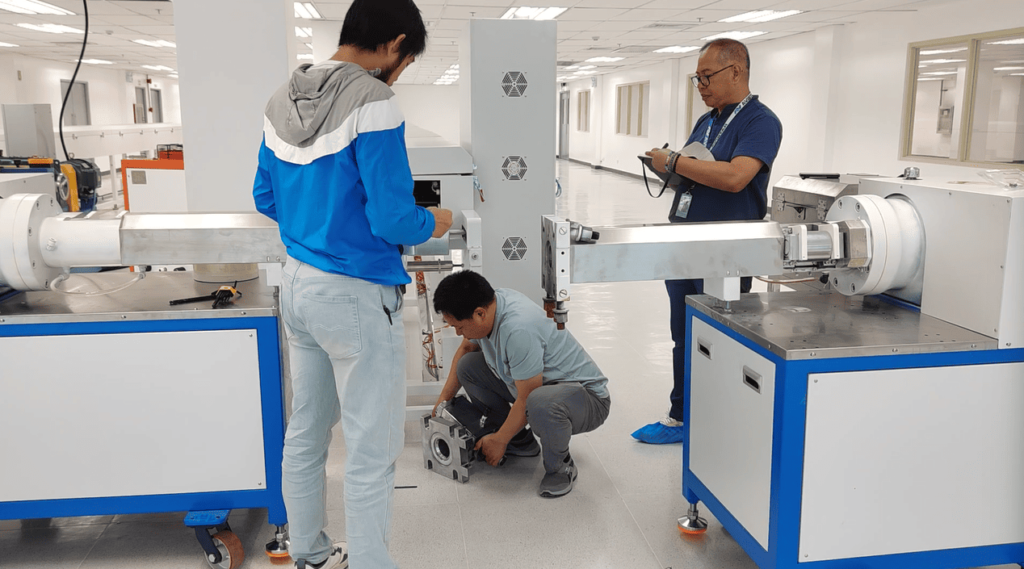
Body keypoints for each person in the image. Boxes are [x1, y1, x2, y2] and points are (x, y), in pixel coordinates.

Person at [252, 1, 453, 567]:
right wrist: (433, 222)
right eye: (406, 60)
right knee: (370, 452)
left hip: (296, 286)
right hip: (358, 295)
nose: (400, 72)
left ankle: (311, 553)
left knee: (306, 432)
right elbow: (394, 220)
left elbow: (265, 197)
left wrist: (313, 224)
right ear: (394, 44)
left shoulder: (279, 101)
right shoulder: (375, 101)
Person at [634, 38, 783, 444]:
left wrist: (679, 162)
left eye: (706, 77)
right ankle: (682, 416)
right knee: (683, 334)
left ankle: (720, 423)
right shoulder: (708, 120)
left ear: (736, 71)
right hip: (686, 241)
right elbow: (698, 170)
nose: (700, 86)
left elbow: (736, 177)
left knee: (719, 337)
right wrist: (668, 166)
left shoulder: (760, 122)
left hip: (725, 250)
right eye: (696, 78)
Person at [431, 271, 611, 498]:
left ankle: (560, 467)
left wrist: (499, 440)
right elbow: (467, 348)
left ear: (480, 314)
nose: (459, 333)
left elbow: (528, 396)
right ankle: (520, 440)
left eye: (460, 327)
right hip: (539, 388)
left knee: (539, 402)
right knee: (468, 366)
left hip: (587, 398)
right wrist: (442, 403)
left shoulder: (518, 329)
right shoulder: (493, 303)